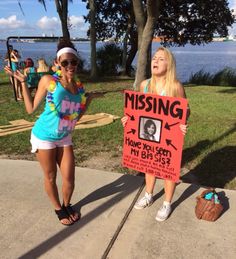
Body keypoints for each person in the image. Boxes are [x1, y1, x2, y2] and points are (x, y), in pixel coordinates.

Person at [4, 39, 101, 226]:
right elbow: (31, 109)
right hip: (45, 136)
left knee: (69, 179)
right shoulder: (49, 81)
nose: (70, 66)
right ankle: (59, 209)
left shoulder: (78, 87)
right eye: (65, 62)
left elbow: (74, 117)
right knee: (50, 176)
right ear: (57, 63)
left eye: (74, 62)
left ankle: (67, 204)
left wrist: (88, 100)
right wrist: (24, 83)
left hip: (65, 136)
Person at [121, 46, 190, 221]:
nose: (155, 61)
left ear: (169, 64)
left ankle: (167, 203)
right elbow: (137, 110)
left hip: (167, 136)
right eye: (154, 58)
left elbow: (185, 110)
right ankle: (149, 194)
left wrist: (183, 124)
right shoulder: (145, 85)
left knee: (168, 169)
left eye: (161, 59)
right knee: (148, 164)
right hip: (148, 132)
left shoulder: (175, 86)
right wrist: (128, 120)